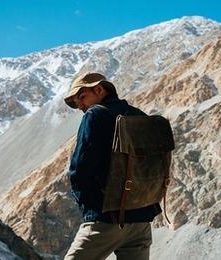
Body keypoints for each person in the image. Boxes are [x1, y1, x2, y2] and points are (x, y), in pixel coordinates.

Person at [63, 72, 161, 260]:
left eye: (82, 97)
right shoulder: (138, 114)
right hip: (141, 220)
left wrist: (90, 210)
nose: (80, 106)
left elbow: (80, 169)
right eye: (77, 102)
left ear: (99, 89)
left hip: (107, 219)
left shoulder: (95, 115)